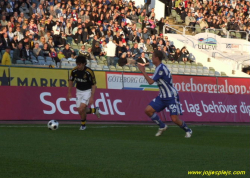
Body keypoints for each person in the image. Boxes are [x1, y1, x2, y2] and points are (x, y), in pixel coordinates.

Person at [137, 50, 192, 137]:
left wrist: (142, 70)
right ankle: (162, 126)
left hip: (171, 96)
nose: (151, 58)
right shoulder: (159, 67)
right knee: (148, 110)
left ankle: (188, 130)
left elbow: (151, 82)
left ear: (157, 58)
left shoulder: (161, 68)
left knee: (174, 119)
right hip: (162, 96)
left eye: (153, 57)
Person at [67, 56, 101, 130]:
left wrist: (92, 97)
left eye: (79, 64)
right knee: (79, 110)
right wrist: (69, 92)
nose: (78, 66)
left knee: (82, 108)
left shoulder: (89, 72)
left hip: (87, 91)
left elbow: (94, 85)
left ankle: (83, 125)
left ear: (84, 64)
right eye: (77, 64)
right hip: (78, 91)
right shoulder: (74, 71)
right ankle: (94, 110)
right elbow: (70, 81)